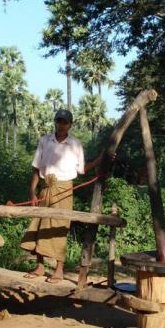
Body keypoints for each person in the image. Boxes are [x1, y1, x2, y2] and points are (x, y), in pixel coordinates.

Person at [20, 109, 103, 284]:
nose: (61, 125)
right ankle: (40, 266)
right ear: (55, 122)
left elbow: (81, 171)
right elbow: (36, 168)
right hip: (46, 188)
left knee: (60, 227)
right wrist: (32, 192)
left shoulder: (75, 144)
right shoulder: (45, 141)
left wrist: (100, 160)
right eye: (59, 121)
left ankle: (59, 269)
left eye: (65, 122)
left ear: (70, 125)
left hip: (64, 190)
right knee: (39, 225)